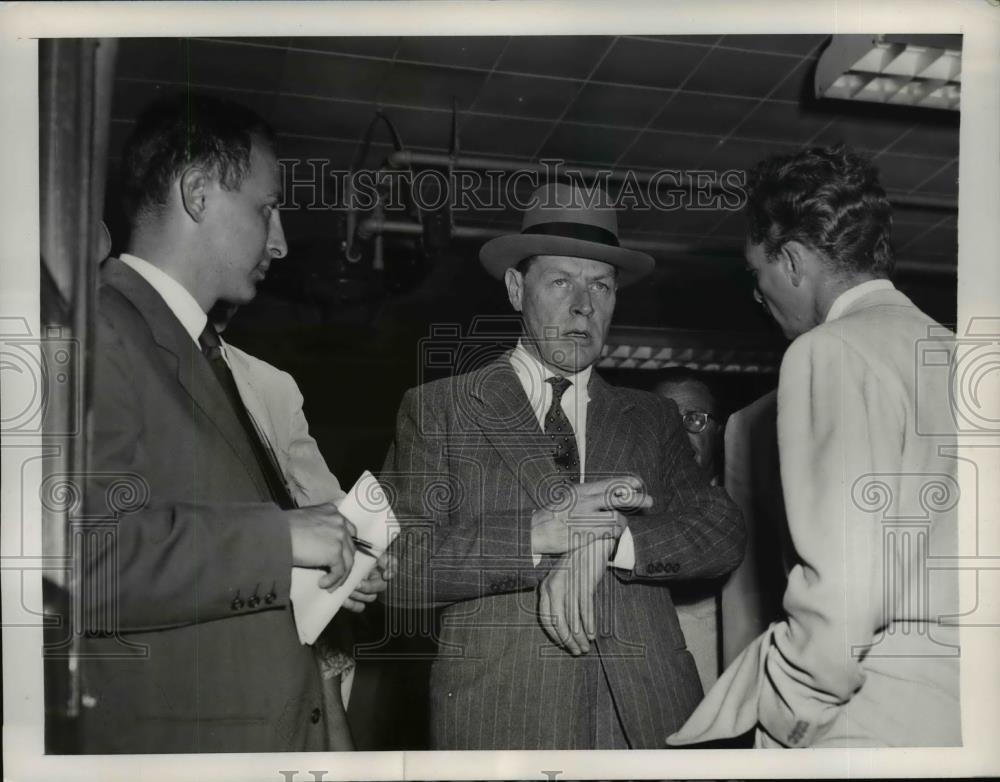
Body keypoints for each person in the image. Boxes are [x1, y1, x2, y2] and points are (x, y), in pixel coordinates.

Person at [381, 182, 745, 750]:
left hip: (647, 721)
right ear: (514, 288)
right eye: (561, 282)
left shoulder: (652, 417)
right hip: (503, 719)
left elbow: (721, 532)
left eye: (601, 285)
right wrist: (538, 534)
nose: (584, 305)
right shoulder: (440, 408)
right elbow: (397, 567)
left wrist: (612, 537)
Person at [80, 93, 362, 753]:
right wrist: (280, 539)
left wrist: (311, 565)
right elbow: (80, 560)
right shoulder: (100, 330)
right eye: (266, 209)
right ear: (199, 194)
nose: (282, 241)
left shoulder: (192, 348)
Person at [669, 145, 960, 748]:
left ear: (794, 262)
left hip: (870, 714)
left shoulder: (829, 351)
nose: (761, 297)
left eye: (759, 276)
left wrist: (787, 718)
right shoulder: (967, 355)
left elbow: (844, 592)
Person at [206, 302, 396, 750]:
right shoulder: (118, 359)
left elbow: (327, 507)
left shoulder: (272, 385)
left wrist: (360, 561)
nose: (275, 246)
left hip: (293, 638)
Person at [654, 371, 725, 691]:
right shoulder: (621, 512)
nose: (680, 434)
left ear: (720, 433)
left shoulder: (754, 514)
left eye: (694, 419)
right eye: (665, 420)